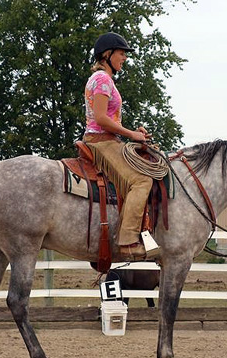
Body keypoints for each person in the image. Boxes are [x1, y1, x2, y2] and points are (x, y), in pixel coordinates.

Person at [83, 32, 159, 261]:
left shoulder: (103, 79)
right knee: (142, 180)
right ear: (107, 55)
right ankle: (127, 241)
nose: (124, 58)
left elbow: (109, 118)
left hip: (108, 138)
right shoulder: (102, 80)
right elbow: (100, 118)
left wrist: (134, 135)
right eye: (121, 53)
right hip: (101, 141)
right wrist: (130, 134)